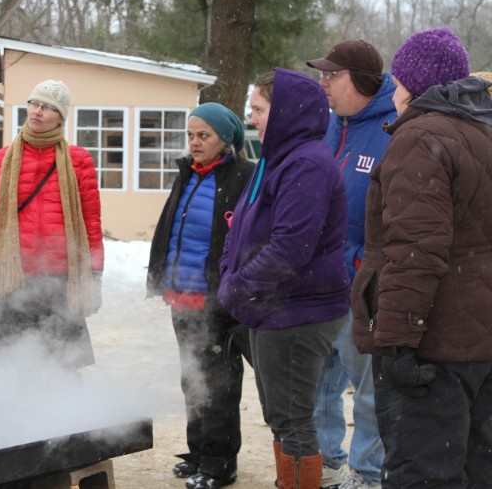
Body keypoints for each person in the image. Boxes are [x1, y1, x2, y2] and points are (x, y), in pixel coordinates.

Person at [351, 26, 492, 486]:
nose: (392, 92)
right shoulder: (481, 133)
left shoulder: (422, 137)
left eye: (398, 81)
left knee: (425, 475)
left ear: (411, 85)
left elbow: (415, 252)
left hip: (436, 350)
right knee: (474, 470)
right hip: (479, 348)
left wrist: (395, 343)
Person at [217, 68, 350, 489]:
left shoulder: (307, 164)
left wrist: (237, 288)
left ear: (286, 111)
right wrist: (229, 274)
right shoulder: (276, 158)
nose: (251, 119)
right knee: (280, 415)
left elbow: (291, 248)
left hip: (297, 311)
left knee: (292, 419)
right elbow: (239, 226)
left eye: (257, 110)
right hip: (270, 308)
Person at [146, 103, 254, 489]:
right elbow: (169, 229)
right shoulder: (187, 174)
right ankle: (198, 452)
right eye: (191, 135)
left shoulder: (244, 176)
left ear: (225, 139)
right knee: (192, 380)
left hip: (218, 300)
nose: (194, 142)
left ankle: (221, 462)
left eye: (203, 135)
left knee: (220, 383)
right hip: (182, 296)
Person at [304, 40, 397, 489]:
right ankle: (324, 458)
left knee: (367, 388)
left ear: (360, 80)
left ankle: (367, 473)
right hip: (320, 279)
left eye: (332, 75)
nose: (323, 83)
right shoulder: (327, 125)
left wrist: (364, 265)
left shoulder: (392, 127)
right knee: (318, 381)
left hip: (363, 284)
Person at [0, 79, 104, 369]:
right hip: (13, 279)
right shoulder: (2, 159)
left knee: (62, 368)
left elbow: (91, 220)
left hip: (61, 279)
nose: (36, 112)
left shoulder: (78, 160)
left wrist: (94, 274)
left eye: (47, 107)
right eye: (34, 103)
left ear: (61, 116)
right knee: (12, 368)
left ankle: (63, 416)